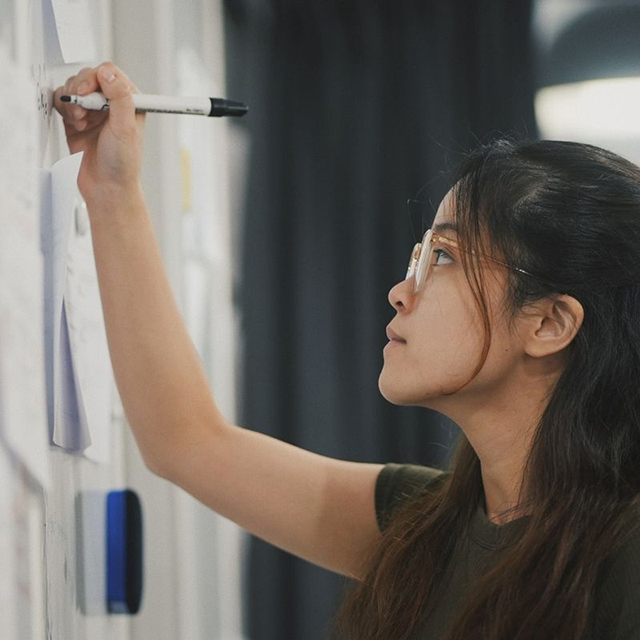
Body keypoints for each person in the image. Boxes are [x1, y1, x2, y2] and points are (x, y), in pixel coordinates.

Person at [54, 63, 640, 640]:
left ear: (549, 322)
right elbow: (187, 442)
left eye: (445, 258)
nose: (401, 292)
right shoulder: (423, 524)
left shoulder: (623, 559)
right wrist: (111, 192)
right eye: (421, 256)